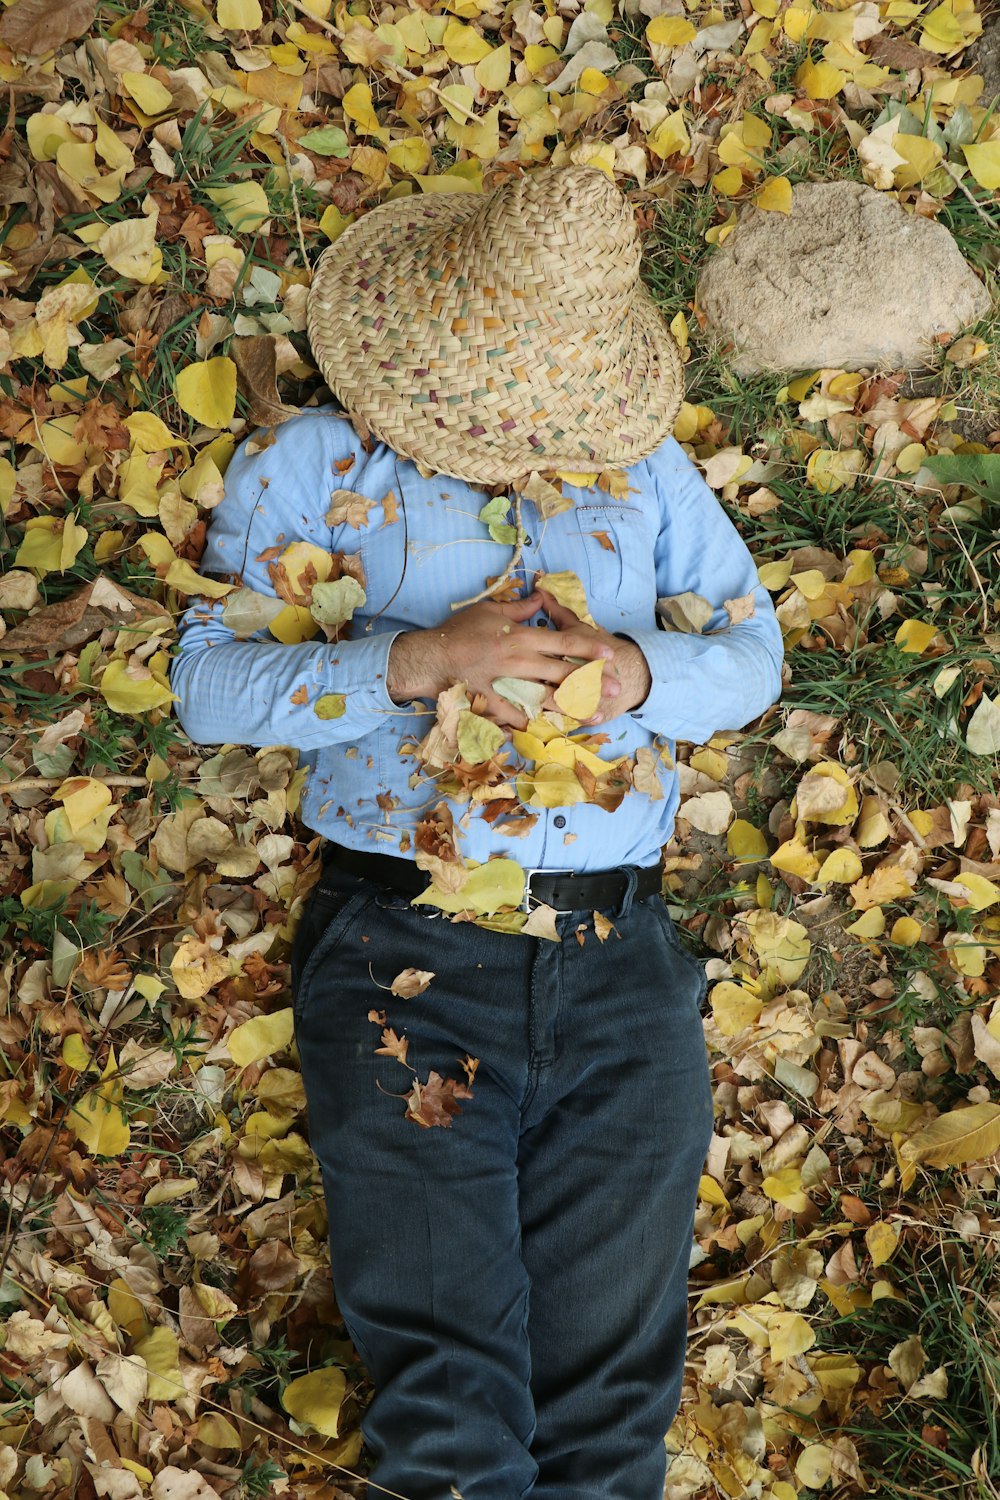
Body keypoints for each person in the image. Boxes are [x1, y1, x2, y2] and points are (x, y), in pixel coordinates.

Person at [172, 166, 784, 1500]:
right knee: (455, 1414)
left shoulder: (643, 471)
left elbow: (754, 654)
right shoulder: (308, 464)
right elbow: (205, 687)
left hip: (614, 946)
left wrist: (633, 671)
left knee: (611, 1422)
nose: (524, 427)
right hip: (414, 934)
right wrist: (415, 662)